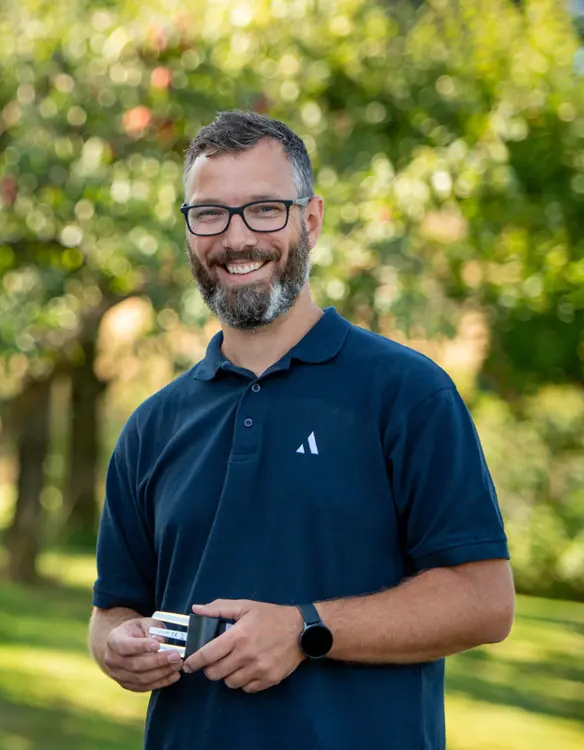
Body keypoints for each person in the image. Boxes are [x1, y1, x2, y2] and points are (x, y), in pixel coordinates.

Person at [88, 110, 515, 750]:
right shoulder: (153, 424)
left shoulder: (406, 393)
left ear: (309, 219)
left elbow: (485, 601)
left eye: (263, 209)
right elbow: (113, 611)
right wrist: (116, 649)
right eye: (209, 214)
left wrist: (305, 629)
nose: (236, 238)